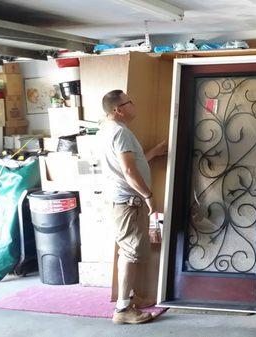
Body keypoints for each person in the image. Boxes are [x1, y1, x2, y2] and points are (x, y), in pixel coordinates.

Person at [100, 89, 167, 324]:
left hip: (122, 200)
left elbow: (128, 166)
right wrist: (148, 195)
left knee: (131, 249)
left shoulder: (109, 130)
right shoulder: (121, 133)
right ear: (118, 109)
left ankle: (131, 297)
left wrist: (154, 153)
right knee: (130, 252)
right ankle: (123, 309)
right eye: (130, 102)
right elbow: (128, 172)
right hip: (128, 202)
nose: (134, 105)